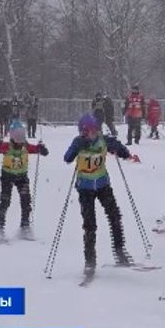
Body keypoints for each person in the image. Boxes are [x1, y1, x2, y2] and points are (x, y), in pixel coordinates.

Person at [63, 113, 142, 276]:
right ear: (82, 132)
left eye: (94, 130)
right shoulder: (78, 142)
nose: (92, 134)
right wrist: (78, 146)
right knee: (90, 225)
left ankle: (119, 251)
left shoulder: (103, 140)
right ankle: (90, 261)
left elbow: (120, 148)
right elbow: (67, 158)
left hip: (102, 185)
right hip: (85, 189)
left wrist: (122, 151)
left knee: (115, 216)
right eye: (88, 131)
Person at [0, 123, 49, 240]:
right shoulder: (6, 146)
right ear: (12, 137)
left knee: (26, 201)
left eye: (22, 137)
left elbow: (38, 150)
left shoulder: (26, 146)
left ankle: (25, 227)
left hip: (22, 177)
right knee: (5, 201)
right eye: (17, 138)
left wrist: (41, 148)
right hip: (7, 176)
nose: (20, 141)